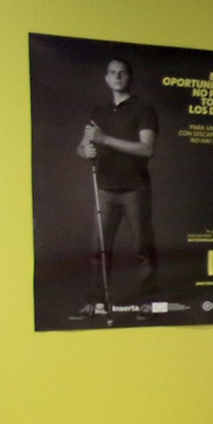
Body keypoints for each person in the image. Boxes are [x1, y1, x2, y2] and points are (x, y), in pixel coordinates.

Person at [75, 56, 159, 303]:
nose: (118, 76)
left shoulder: (144, 109)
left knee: (144, 249)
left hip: (135, 188)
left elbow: (147, 149)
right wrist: (85, 151)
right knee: (98, 250)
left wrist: (105, 140)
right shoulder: (98, 112)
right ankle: (97, 302)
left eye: (122, 72)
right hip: (105, 189)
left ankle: (149, 302)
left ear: (129, 77)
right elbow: (82, 147)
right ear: (107, 78)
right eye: (112, 73)